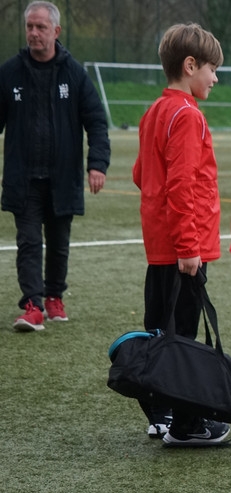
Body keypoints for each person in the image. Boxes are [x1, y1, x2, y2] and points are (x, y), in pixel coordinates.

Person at [131, 23, 230, 446]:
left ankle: (160, 413)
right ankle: (188, 424)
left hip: (159, 247)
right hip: (182, 250)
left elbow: (141, 174)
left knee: (159, 329)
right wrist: (189, 246)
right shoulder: (188, 115)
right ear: (190, 66)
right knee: (184, 336)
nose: (215, 78)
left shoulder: (154, 110)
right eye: (212, 69)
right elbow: (182, 185)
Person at [0, 1, 110, 332]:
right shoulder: (9, 73)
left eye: (41, 27)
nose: (34, 33)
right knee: (29, 242)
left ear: (56, 31)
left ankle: (54, 297)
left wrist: (97, 164)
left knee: (59, 244)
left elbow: (96, 121)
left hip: (63, 177)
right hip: (23, 178)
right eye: (30, 27)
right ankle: (32, 305)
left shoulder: (74, 74)